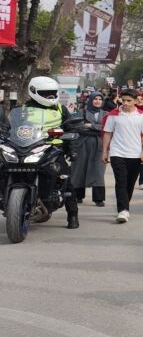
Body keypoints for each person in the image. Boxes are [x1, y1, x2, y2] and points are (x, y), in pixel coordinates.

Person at [5, 76, 81, 228]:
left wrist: (72, 149)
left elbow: (71, 128)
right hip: (26, 147)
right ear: (34, 92)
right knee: (4, 167)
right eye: (46, 93)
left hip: (53, 149)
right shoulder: (22, 110)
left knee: (65, 180)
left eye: (53, 93)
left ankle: (72, 215)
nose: (51, 96)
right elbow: (11, 127)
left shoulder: (61, 108)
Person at [102, 89, 143, 224]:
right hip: (117, 153)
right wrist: (105, 151)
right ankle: (122, 210)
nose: (125, 103)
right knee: (121, 181)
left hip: (135, 154)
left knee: (129, 183)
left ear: (136, 101)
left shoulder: (142, 115)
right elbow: (107, 133)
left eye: (129, 101)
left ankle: (125, 206)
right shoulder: (113, 115)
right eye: (123, 100)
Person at [71, 93, 107, 208]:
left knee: (98, 171)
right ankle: (78, 196)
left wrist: (90, 126)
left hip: (99, 145)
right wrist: (97, 128)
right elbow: (78, 127)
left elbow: (106, 128)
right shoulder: (82, 112)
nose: (97, 101)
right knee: (79, 169)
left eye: (100, 99)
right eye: (95, 99)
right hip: (82, 144)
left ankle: (98, 198)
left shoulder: (106, 114)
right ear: (90, 100)